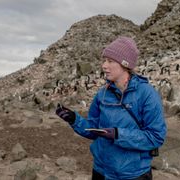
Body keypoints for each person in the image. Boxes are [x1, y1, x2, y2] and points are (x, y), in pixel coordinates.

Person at [56, 36, 167, 180]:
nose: (104, 65)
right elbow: (94, 129)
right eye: (104, 60)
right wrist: (74, 120)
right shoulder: (102, 94)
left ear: (125, 64)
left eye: (110, 61)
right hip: (101, 170)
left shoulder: (147, 94)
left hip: (132, 174)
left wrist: (118, 134)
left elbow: (155, 137)